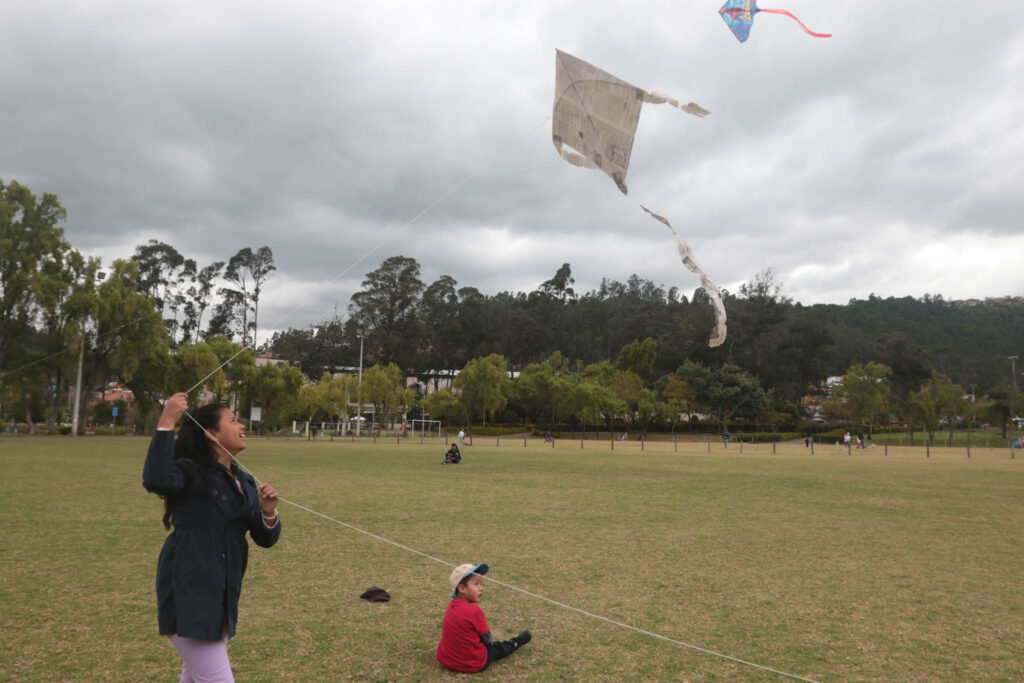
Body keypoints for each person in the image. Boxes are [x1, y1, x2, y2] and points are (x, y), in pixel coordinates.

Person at [143, 392, 282, 683]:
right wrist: (167, 420)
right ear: (211, 433)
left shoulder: (244, 480)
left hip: (221, 596)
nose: (241, 425)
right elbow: (156, 479)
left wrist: (268, 512)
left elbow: (265, 538)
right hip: (190, 596)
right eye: (232, 420)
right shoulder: (189, 471)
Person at [436, 563, 531, 673]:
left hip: (446, 660)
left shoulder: (451, 606)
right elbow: (487, 639)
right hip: (472, 663)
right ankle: (514, 643)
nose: (481, 588)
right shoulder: (473, 611)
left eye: (481, 584)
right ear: (462, 588)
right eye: (476, 584)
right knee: (496, 648)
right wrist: (489, 646)